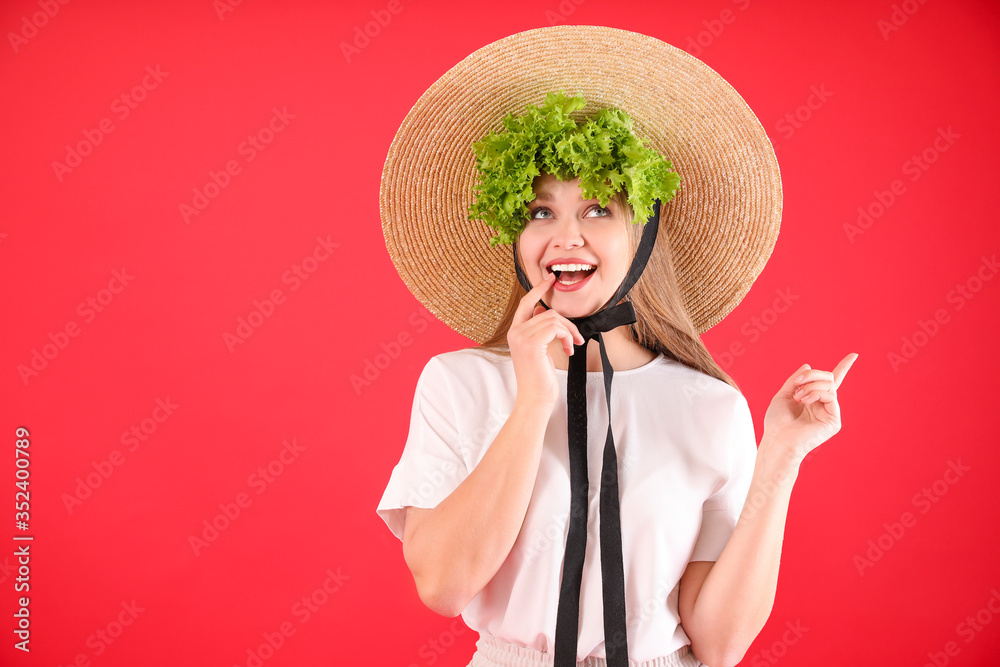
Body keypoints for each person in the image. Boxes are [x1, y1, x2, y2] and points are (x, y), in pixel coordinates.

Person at [377, 26, 858, 667]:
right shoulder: (459, 383)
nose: (566, 237)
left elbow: (718, 643)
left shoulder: (707, 404)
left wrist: (782, 457)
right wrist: (530, 403)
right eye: (541, 212)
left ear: (644, 234)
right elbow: (443, 585)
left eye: (600, 209)